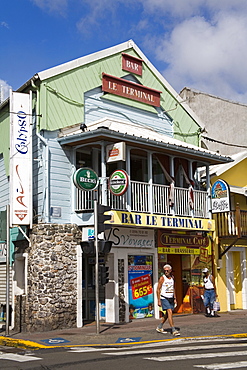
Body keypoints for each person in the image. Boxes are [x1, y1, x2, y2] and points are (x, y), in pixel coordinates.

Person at [156, 264, 180, 336]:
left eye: (167, 270)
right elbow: (158, 289)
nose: (166, 272)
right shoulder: (162, 278)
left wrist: (175, 298)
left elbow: (173, 288)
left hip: (171, 297)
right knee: (169, 311)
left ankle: (159, 326)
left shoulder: (172, 278)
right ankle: (173, 329)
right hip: (164, 297)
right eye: (165, 271)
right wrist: (159, 300)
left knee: (167, 314)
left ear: (170, 270)